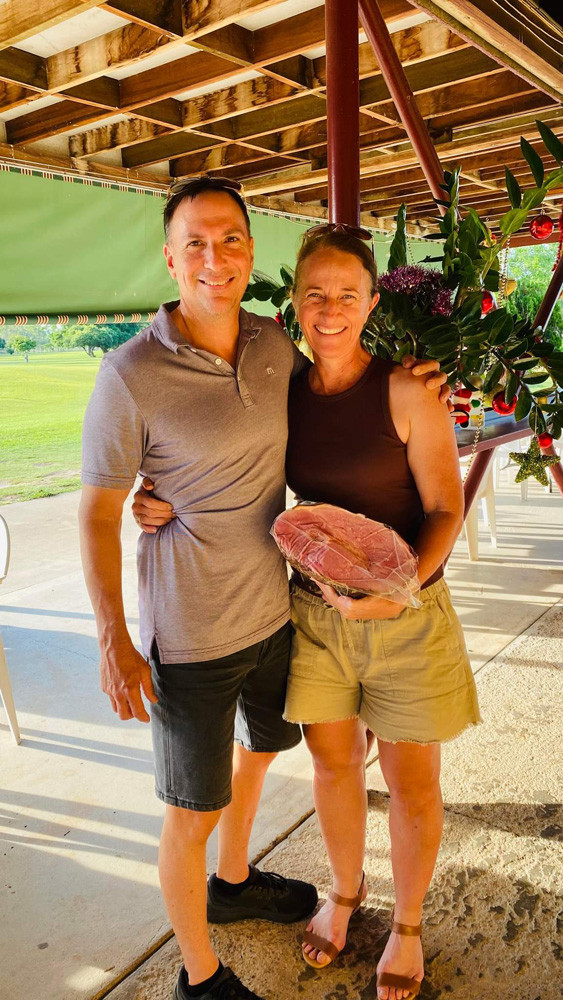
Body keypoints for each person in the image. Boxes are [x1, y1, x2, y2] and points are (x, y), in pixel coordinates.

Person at [84, 176, 450, 1000]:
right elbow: (96, 513)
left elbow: (379, 449)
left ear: (251, 253)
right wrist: (114, 636)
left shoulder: (271, 348)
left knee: (276, 753)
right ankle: (201, 974)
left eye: (232, 241)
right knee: (199, 805)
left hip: (282, 617)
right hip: (200, 631)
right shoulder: (129, 372)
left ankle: (247, 882)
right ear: (170, 258)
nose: (215, 259)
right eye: (197, 245)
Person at [282, 226, 481, 1000]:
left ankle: (405, 923)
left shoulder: (406, 388)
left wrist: (393, 594)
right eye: (314, 294)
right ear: (295, 302)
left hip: (408, 617)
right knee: (332, 766)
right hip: (315, 615)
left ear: (370, 301)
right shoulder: (283, 388)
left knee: (410, 783)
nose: (329, 310)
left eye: (346, 294)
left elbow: (442, 507)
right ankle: (343, 889)